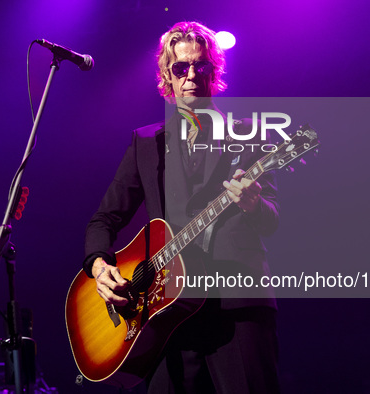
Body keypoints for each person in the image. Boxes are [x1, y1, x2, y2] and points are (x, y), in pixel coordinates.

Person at [83, 21, 280, 393]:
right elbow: (105, 218)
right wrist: (98, 265)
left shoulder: (250, 134)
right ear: (166, 77)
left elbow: (272, 219)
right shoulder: (147, 143)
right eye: (180, 67)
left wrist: (253, 204)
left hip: (237, 306)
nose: (191, 75)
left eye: (201, 66)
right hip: (165, 312)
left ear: (214, 71)